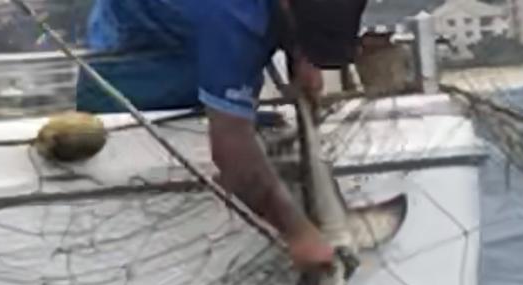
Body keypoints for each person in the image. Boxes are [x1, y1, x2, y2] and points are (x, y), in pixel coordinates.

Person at [77, 0, 367, 271]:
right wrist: (299, 235)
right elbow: (231, 153)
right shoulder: (230, 14)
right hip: (135, 70)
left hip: (205, 29)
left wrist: (301, 55)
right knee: (230, 135)